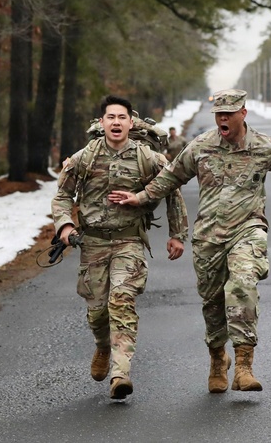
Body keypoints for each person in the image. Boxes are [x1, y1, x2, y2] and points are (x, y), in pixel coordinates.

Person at [110, 88, 271, 394]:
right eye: (219, 114)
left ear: (242, 114)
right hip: (208, 236)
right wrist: (139, 197)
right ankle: (217, 358)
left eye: (229, 114)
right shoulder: (201, 146)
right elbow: (171, 177)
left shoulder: (266, 146)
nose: (222, 119)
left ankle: (245, 366)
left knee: (242, 283)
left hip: (248, 228)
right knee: (212, 303)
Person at [52, 95, 188, 400]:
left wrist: (178, 233)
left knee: (122, 301)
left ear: (130, 122)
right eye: (110, 117)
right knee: (98, 313)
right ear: (102, 123)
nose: (116, 122)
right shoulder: (83, 158)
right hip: (93, 243)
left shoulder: (148, 158)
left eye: (121, 117)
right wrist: (64, 225)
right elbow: (62, 196)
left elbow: (172, 191)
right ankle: (102, 346)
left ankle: (120, 373)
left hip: (129, 241)